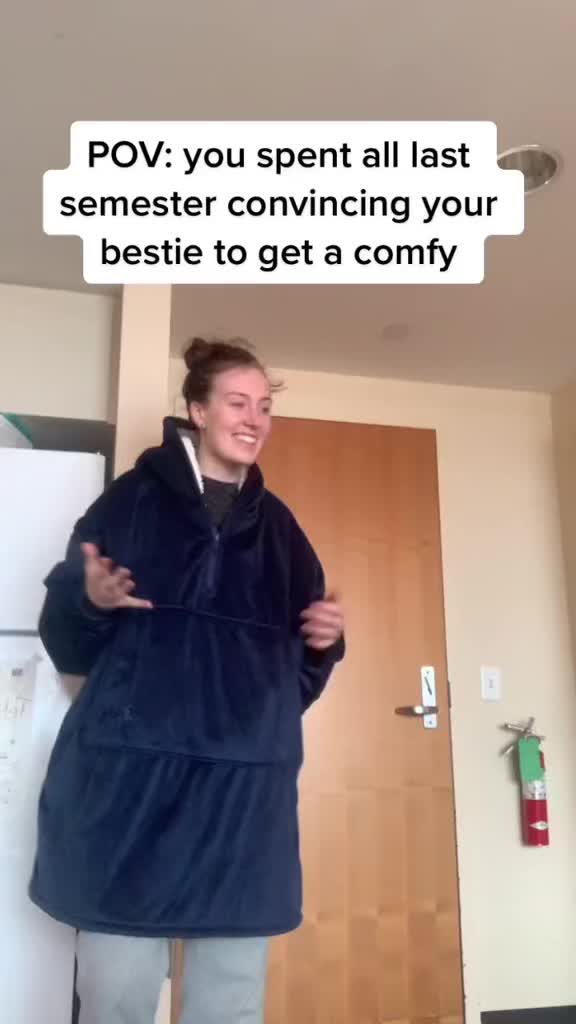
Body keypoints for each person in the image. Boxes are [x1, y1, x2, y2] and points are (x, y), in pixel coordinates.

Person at [29, 337, 345, 1024]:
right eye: (238, 402)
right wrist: (91, 600)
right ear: (198, 411)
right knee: (115, 992)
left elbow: (293, 687)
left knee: (229, 1001)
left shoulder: (282, 532)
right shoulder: (130, 503)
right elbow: (65, 644)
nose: (254, 419)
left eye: (264, 407)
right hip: (131, 794)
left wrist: (322, 645)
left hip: (240, 804)